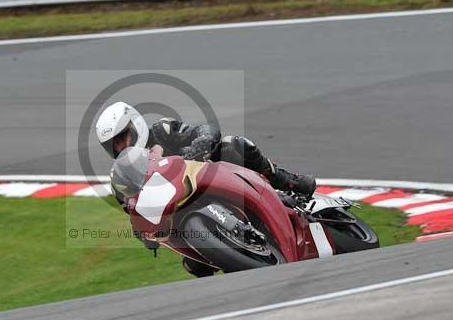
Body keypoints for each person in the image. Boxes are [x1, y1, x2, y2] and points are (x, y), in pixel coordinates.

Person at [95, 101, 316, 277]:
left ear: (135, 125)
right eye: (114, 145)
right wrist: (143, 234)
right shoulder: (122, 177)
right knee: (195, 267)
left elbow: (204, 130)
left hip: (208, 176)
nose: (122, 147)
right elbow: (133, 211)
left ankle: (287, 182)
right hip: (179, 219)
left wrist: (202, 142)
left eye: (122, 138)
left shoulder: (161, 131)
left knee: (234, 144)